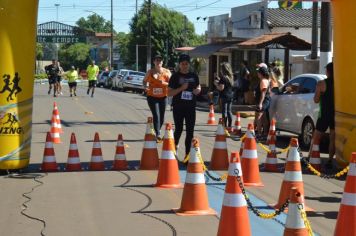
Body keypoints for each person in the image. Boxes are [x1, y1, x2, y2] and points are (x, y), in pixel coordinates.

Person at [168, 54, 201, 160]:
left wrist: (198, 90)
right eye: (183, 64)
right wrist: (181, 88)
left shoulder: (194, 76)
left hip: (190, 107)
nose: (185, 66)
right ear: (179, 64)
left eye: (186, 64)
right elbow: (169, 93)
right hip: (178, 107)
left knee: (190, 131)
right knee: (179, 129)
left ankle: (187, 156)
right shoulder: (175, 76)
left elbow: (198, 86)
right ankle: (174, 148)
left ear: (189, 64)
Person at [309, 62, 335, 169]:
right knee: (333, 139)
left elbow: (316, 100)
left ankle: (310, 157)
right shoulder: (340, 83)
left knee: (316, 138)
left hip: (324, 114)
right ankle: (330, 160)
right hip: (336, 115)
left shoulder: (321, 83)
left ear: (328, 71)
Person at [143, 55, 171, 142]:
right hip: (152, 97)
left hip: (163, 97)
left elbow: (172, 84)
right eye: (157, 60)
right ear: (154, 62)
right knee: (156, 115)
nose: (159, 62)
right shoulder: (150, 72)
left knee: (162, 117)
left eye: (160, 61)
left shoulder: (167, 72)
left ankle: (157, 130)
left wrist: (163, 83)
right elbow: (144, 81)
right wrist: (145, 87)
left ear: (162, 62)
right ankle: (158, 133)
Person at [214, 62, 234, 130]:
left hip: (224, 96)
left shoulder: (223, 77)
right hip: (230, 95)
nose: (220, 70)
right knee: (229, 111)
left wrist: (216, 84)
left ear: (223, 69)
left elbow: (221, 88)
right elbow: (227, 84)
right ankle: (230, 126)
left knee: (224, 111)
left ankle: (224, 126)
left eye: (221, 69)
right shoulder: (231, 77)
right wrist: (219, 81)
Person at [254, 66, 271, 140]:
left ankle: (260, 134)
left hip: (263, 101)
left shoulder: (263, 81)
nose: (257, 73)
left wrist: (260, 103)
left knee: (259, 117)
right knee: (264, 118)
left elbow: (263, 93)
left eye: (258, 72)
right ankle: (265, 134)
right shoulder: (266, 80)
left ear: (261, 73)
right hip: (266, 101)